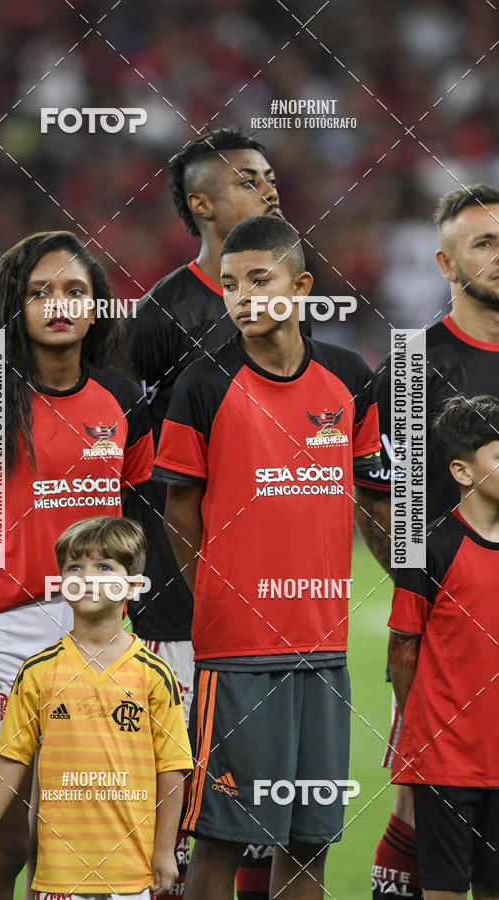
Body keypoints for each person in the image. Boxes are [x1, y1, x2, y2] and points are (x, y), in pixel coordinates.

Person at [154, 214, 381, 899]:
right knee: (222, 838)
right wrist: (219, 594)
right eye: (230, 285)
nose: (244, 297)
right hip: (238, 651)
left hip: (325, 647)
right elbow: (180, 512)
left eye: (260, 280)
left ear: (301, 287)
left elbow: (373, 498)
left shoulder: (349, 376)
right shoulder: (203, 383)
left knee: (310, 840)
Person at [0, 231, 154, 899]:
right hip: (5, 634)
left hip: (99, 632)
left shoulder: (124, 398)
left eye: (74, 291)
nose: (59, 305)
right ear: (16, 305)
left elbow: (140, 521)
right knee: (8, 841)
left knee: (74, 833)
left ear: (96, 307)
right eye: (40, 292)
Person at [124, 125, 309, 899]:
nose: (269, 188)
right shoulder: (161, 315)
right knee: (183, 791)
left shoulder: (291, 303)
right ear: (202, 205)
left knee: (267, 795)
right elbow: (130, 456)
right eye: (247, 180)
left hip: (271, 588)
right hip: (181, 595)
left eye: (269, 176)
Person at [356, 184, 499, 900]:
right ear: (445, 264)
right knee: (423, 794)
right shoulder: (414, 369)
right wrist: (426, 596)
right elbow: (384, 500)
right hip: (448, 632)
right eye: (484, 243)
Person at [0, 515, 193, 899]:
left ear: (133, 584)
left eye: (104, 567)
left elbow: (171, 769)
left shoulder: (154, 674)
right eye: (74, 568)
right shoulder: (38, 671)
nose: (87, 577)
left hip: (130, 873)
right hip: (59, 873)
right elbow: (12, 757)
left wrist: (164, 850)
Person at [388, 394, 499, 900]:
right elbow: (403, 647)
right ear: (462, 470)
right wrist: (425, 732)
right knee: (445, 892)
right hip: (446, 761)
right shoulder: (428, 548)